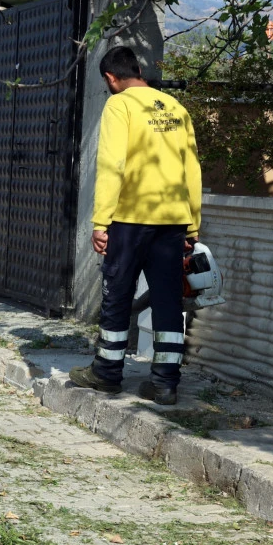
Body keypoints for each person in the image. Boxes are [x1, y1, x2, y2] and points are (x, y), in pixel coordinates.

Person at [69, 46, 202, 405]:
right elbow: (192, 169)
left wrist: (101, 222)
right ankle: (165, 383)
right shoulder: (176, 108)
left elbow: (112, 164)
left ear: (111, 78)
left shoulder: (120, 105)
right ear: (139, 69)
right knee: (168, 299)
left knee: (118, 293)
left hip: (130, 219)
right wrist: (193, 225)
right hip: (173, 220)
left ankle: (107, 373)